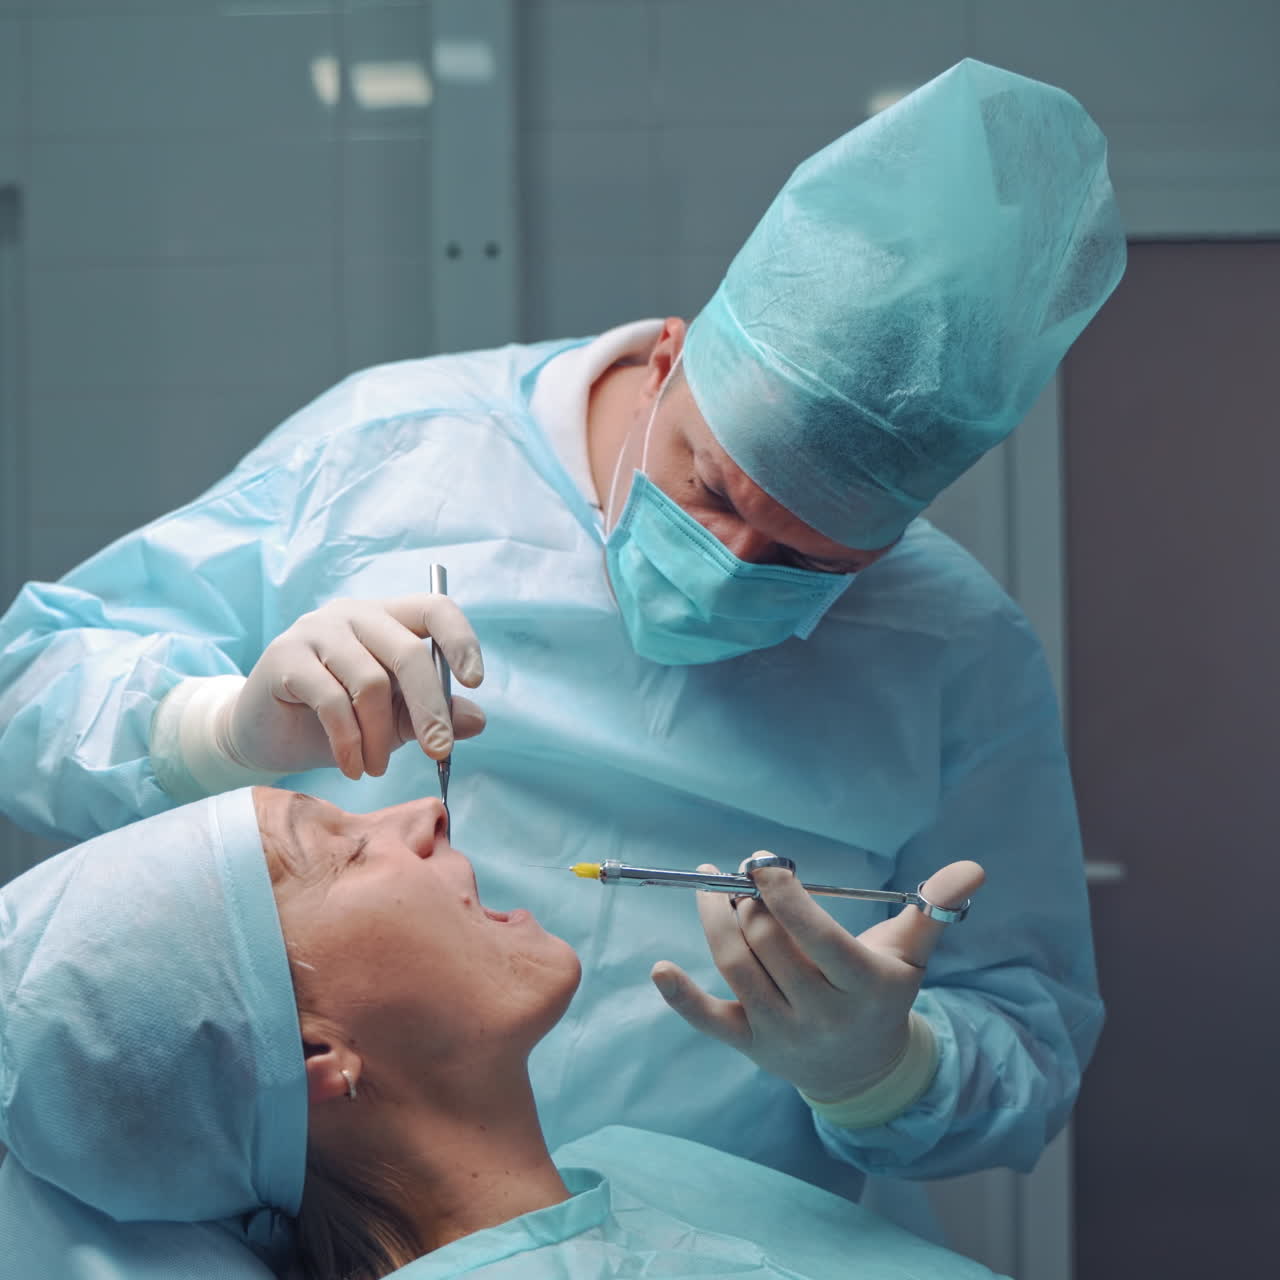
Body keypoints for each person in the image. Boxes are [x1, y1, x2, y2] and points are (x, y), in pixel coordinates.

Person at [0, 59, 1126, 1205]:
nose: (732, 565)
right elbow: (29, 685)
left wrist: (888, 1068)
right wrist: (211, 731)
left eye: (806, 559)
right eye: (713, 491)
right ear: (668, 357)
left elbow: (1027, 1044)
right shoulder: (392, 449)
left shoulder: (953, 647)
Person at [0, 787, 1000, 1279]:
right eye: (342, 850)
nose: (425, 809)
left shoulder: (636, 1165)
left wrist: (876, 1076)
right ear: (314, 1056)